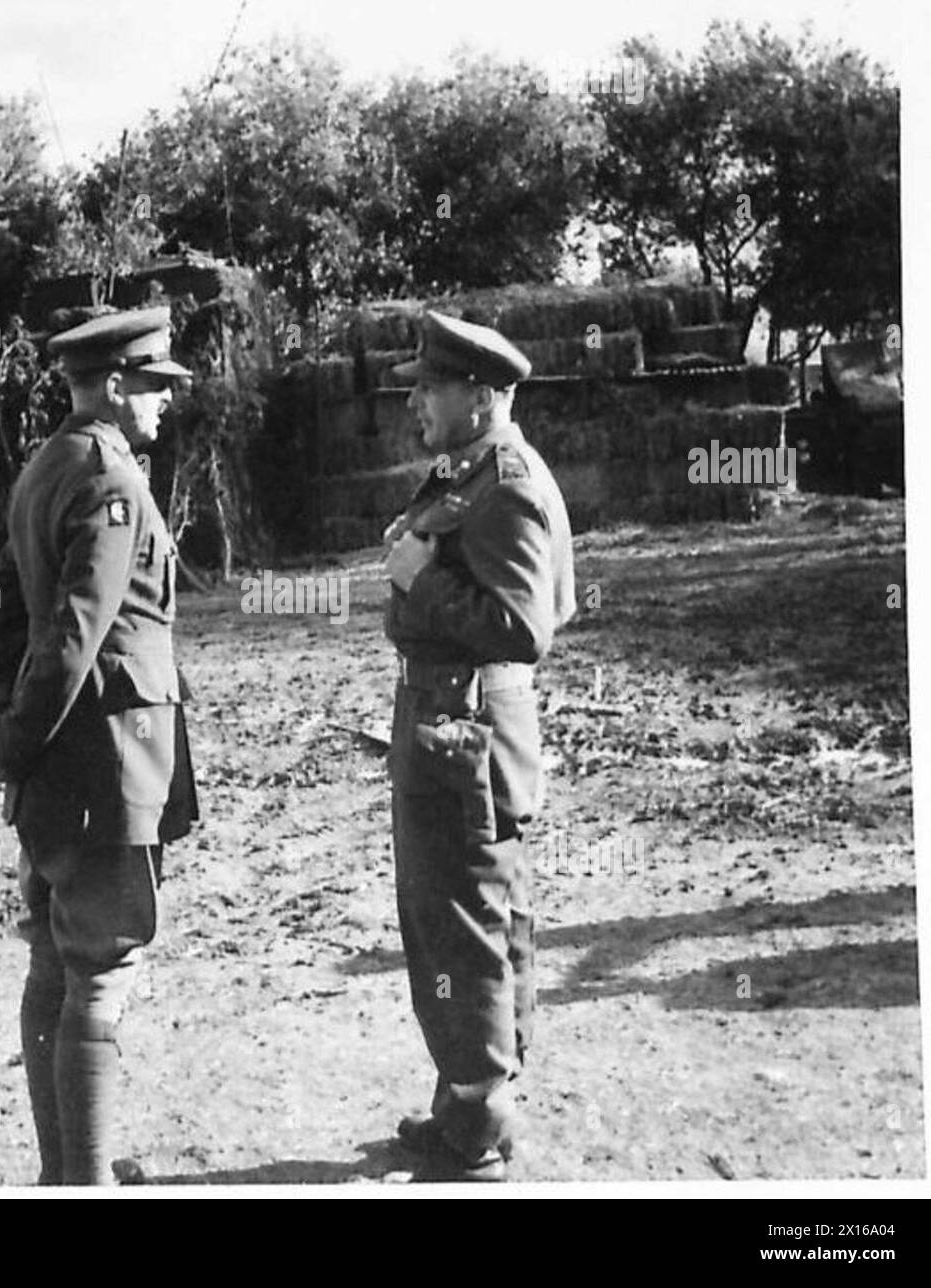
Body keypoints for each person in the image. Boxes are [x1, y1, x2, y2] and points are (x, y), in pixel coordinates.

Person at [0, 305, 198, 1185]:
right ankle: (85, 1180)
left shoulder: (46, 467)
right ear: (110, 385)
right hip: (103, 763)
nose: (165, 403)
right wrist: (15, 736)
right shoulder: (109, 481)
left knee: (55, 962)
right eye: (153, 386)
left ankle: (65, 1171)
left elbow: (4, 612)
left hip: (61, 766)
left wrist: (2, 724)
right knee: (100, 966)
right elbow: (72, 632)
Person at [383, 309, 576, 1182]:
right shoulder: (466, 476)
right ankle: (467, 1099)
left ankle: (483, 1118)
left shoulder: (509, 483)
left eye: (433, 387)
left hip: (470, 732)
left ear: (483, 394)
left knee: (469, 921)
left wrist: (420, 582)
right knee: (455, 915)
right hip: (443, 725)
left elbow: (522, 626)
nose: (417, 401)